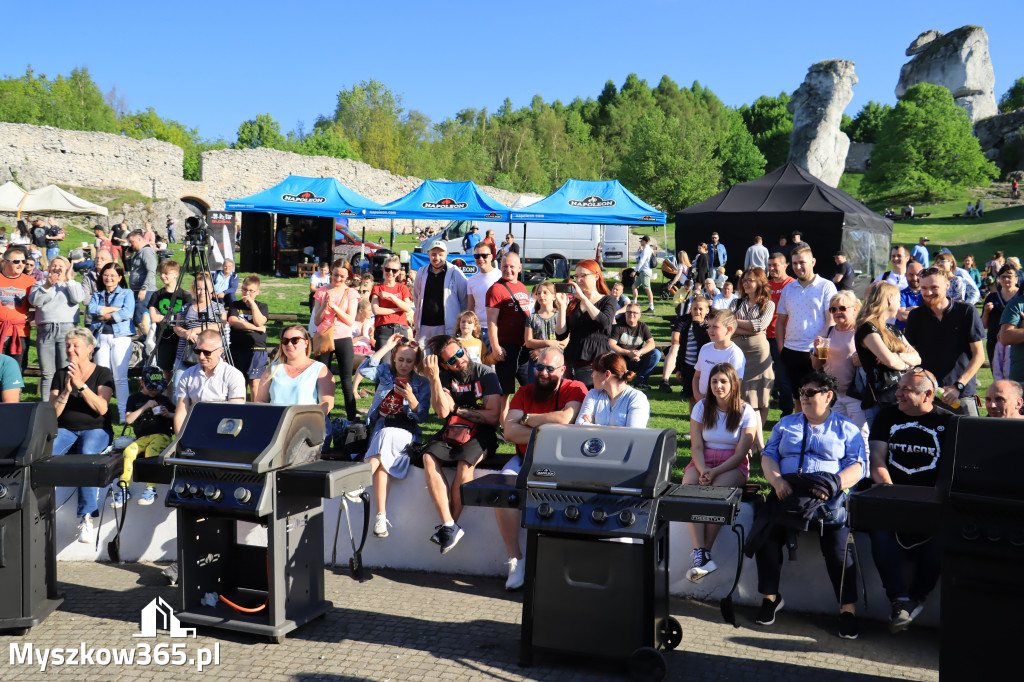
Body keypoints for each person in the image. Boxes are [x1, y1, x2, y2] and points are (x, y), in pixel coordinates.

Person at [752, 370, 866, 639]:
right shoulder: (786, 424)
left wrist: (835, 484)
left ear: (828, 396)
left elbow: (858, 466)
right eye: (801, 393)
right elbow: (768, 456)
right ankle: (770, 599)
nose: (803, 398)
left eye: (810, 393)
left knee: (838, 549)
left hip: (826, 498)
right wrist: (778, 481)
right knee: (764, 535)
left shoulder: (846, 428)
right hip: (787, 493)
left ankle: (847, 610)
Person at [867, 368, 950, 633]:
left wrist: (932, 499)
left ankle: (916, 599)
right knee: (879, 534)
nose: (898, 393)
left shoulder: (950, 422)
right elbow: (877, 458)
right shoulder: (887, 415)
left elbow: (950, 471)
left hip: (932, 503)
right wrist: (890, 491)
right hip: (892, 496)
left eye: (906, 390)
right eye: (899, 387)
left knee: (940, 543)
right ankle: (899, 600)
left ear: (927, 394)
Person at [500, 347, 587, 590]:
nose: (543, 373)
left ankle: (555, 565)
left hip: (559, 461)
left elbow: (565, 419)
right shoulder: (525, 391)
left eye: (550, 369)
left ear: (563, 370)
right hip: (523, 458)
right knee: (503, 490)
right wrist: (549, 429)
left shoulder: (575, 388)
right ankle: (515, 559)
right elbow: (509, 432)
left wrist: (526, 419)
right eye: (539, 367)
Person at [420, 335, 502, 554]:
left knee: (465, 464)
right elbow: (441, 412)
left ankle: (450, 526)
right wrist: (435, 379)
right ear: (444, 364)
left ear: (464, 348)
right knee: (428, 457)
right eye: (452, 360)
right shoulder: (445, 376)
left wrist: (458, 409)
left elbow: (493, 417)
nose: (459, 360)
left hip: (482, 434)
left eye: (460, 353)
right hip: (453, 429)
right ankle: (448, 525)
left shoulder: (486, 374)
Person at [684, 363, 757, 581]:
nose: (718, 386)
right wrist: (703, 468)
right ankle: (701, 553)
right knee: (688, 488)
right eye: (714, 381)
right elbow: (695, 446)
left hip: (731, 463)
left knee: (717, 491)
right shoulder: (701, 406)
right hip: (702, 460)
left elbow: (741, 452)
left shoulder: (746, 411)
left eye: (723, 381)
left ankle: (704, 552)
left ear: (734, 384)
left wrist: (715, 472)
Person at [357, 334, 431, 538]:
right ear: (393, 359)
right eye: (400, 360)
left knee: (387, 437)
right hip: (381, 428)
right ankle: (381, 517)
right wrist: (385, 347)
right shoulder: (385, 372)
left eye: (409, 361)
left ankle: (359, 483)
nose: (404, 365)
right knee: (381, 464)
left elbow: (423, 417)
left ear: (415, 362)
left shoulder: (422, 383)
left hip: (406, 432)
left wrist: (411, 398)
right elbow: (364, 370)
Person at [50, 327, 115, 544]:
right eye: (68, 345)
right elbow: (52, 414)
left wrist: (81, 385)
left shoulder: (103, 373)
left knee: (87, 455)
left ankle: (86, 518)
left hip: (96, 429)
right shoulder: (60, 374)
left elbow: (102, 409)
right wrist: (67, 391)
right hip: (66, 429)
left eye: (75, 345)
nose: (70, 349)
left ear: (89, 348)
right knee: (44, 453)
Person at [906, 268, 985, 412]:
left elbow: (979, 355)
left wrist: (958, 386)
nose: (928, 293)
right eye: (924, 288)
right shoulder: (915, 316)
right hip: (928, 396)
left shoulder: (966, 311)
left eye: (934, 287)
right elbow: (910, 354)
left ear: (947, 286)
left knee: (969, 434)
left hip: (961, 394)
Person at [776, 245, 837, 411]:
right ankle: (802, 434)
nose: (798, 267)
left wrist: (820, 353)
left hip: (815, 353)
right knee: (799, 399)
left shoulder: (826, 286)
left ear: (813, 262)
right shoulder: (788, 288)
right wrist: (782, 349)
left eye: (802, 262)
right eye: (795, 263)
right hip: (791, 352)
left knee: (818, 400)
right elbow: (780, 321)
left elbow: (830, 321)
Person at [855, 282, 921, 421]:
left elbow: (917, 358)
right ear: (889, 299)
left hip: (902, 396)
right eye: (898, 300)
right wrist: (906, 362)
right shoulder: (867, 328)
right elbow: (890, 362)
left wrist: (899, 356)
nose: (899, 304)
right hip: (881, 399)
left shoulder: (893, 329)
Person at [811, 291, 868, 439]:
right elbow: (818, 364)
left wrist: (863, 360)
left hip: (856, 394)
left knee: (859, 436)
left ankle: (863, 463)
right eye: (833, 309)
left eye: (842, 308)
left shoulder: (861, 331)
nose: (837, 312)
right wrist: (817, 351)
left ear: (855, 309)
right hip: (833, 393)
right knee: (836, 435)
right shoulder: (828, 331)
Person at [114, 371, 175, 507]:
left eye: (158, 388)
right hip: (142, 437)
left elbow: (177, 415)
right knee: (129, 451)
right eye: (152, 388)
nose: (155, 391)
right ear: (142, 383)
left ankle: (151, 488)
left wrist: (168, 414)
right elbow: (129, 420)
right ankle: (124, 488)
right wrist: (145, 407)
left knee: (151, 451)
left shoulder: (163, 399)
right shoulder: (134, 399)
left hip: (162, 435)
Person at [555, 259, 616, 388]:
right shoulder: (574, 303)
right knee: (573, 400)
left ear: (596, 276)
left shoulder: (608, 300)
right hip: (572, 360)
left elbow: (604, 322)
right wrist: (561, 306)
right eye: (576, 276)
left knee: (591, 401)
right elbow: (561, 335)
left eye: (583, 276)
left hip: (595, 362)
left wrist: (583, 298)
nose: (578, 280)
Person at [486, 252, 532, 422]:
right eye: (504, 266)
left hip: (524, 346)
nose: (508, 270)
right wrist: (496, 347)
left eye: (512, 266)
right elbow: (492, 321)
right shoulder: (496, 289)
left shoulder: (521, 286)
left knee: (529, 387)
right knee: (505, 391)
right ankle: (503, 426)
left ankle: (526, 420)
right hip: (506, 346)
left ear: (519, 267)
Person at [313, 259, 361, 421]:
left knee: (346, 380)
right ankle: (324, 418)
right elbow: (317, 321)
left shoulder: (352, 293)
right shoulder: (321, 292)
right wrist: (325, 305)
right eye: (335, 275)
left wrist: (334, 307)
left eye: (342, 276)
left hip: (343, 338)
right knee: (322, 380)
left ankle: (352, 420)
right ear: (330, 272)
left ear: (348, 277)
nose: (338, 279)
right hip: (324, 337)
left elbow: (350, 320)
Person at [87, 262, 135, 423]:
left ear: (120, 278)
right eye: (106, 275)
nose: (109, 278)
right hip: (101, 338)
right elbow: (91, 310)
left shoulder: (127, 293)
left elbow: (128, 312)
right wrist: (114, 310)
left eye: (113, 275)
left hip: (120, 337)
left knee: (120, 377)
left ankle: (123, 415)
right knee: (102, 376)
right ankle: (102, 413)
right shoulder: (97, 294)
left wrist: (104, 314)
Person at [174, 329, 246, 435]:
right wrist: (180, 440)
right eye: (198, 351)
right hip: (194, 430)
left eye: (207, 352)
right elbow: (181, 413)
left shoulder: (233, 375)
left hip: (223, 432)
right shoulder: (188, 374)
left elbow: (235, 414)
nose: (202, 356)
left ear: (220, 351)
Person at [30, 256, 84, 397]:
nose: (57, 268)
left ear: (67, 268)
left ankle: (66, 407)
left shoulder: (73, 285)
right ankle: (46, 410)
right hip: (46, 331)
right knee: (47, 373)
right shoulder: (40, 284)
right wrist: (47, 286)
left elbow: (78, 299)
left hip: (67, 331)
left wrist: (69, 280)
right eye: (54, 266)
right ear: (49, 268)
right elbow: (35, 301)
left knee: (66, 371)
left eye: (61, 266)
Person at [732, 267, 776, 426]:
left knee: (760, 396)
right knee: (741, 394)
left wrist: (736, 323)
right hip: (737, 354)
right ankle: (743, 433)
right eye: (744, 280)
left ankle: (756, 441)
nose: (745, 283)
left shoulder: (768, 304)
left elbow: (761, 325)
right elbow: (727, 325)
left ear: (760, 282)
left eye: (749, 280)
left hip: (759, 355)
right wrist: (750, 327)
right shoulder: (736, 302)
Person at [172, 273, 227, 393]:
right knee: (178, 387)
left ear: (211, 289)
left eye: (205, 289)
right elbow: (177, 327)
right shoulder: (185, 307)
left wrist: (195, 331)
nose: (202, 292)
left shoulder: (217, 307)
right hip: (185, 353)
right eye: (199, 289)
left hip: (208, 353)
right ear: (194, 290)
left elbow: (220, 325)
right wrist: (186, 333)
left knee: (207, 389)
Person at [412, 242, 468, 342]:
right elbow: (416, 298)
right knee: (423, 357)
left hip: (448, 329)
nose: (437, 258)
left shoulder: (456, 273)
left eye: (440, 254)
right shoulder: (421, 272)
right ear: (428, 254)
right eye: (433, 254)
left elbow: (464, 300)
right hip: (424, 329)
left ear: (446, 254)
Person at [576, 352, 650, 427]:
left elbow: (633, 434)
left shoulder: (636, 398)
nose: (592, 375)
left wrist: (593, 426)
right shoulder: (593, 394)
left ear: (607, 374)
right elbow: (579, 425)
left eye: (595, 371)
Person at [227, 275, 269, 399]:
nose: (247, 293)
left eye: (251, 291)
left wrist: (252, 303)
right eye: (244, 289)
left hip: (257, 350)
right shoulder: (235, 305)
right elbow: (234, 322)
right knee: (240, 382)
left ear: (257, 292)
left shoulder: (262, 306)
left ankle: (256, 410)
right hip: (237, 349)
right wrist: (257, 329)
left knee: (255, 382)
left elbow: (260, 321)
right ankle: (242, 411)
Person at [661, 295, 711, 400]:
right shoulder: (685, 322)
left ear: (707, 310)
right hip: (688, 364)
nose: (697, 311)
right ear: (690, 309)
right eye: (695, 308)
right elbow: (681, 347)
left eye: (701, 309)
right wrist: (679, 368)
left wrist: (697, 324)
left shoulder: (709, 325)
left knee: (703, 395)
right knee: (690, 397)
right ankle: (693, 416)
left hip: (703, 366)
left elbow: (703, 340)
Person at [693, 308, 745, 403]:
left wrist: (714, 400)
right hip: (701, 403)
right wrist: (697, 395)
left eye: (715, 327)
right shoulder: (705, 348)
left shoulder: (735, 354)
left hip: (721, 405)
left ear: (729, 330)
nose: (710, 330)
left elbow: (735, 386)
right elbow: (697, 376)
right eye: (709, 326)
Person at [767, 252, 796, 415]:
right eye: (769, 265)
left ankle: (786, 411)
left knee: (783, 378)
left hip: (784, 337)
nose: (771, 268)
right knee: (763, 376)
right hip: (764, 336)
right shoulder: (767, 285)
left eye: (775, 265)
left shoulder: (792, 284)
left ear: (785, 266)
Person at [608, 303, 662, 390]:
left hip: (638, 359)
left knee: (656, 353)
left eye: (635, 313)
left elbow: (651, 343)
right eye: (629, 312)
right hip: (622, 360)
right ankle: (619, 380)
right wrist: (628, 353)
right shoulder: (618, 327)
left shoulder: (643, 326)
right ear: (625, 313)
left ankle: (641, 381)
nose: (631, 314)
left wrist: (640, 353)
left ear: (639, 315)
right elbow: (611, 344)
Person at [370, 254, 413, 362]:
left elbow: (407, 308)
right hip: (383, 329)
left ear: (398, 272)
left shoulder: (402, 288)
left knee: (401, 363)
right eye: (388, 269)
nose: (390, 273)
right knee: (385, 364)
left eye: (394, 271)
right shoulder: (377, 288)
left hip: (401, 328)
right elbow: (376, 310)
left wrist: (391, 296)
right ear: (383, 269)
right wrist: (397, 309)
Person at [0, 245, 37, 366]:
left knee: (16, 370)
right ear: (5, 262)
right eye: (16, 261)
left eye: (23, 261)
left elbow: (40, 302)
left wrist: (35, 312)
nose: (21, 264)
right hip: (1, 331)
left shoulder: (30, 282)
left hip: (20, 332)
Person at [523, 281, 566, 382]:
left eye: (545, 292)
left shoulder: (560, 315)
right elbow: (528, 342)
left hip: (555, 362)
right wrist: (549, 343)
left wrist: (541, 350)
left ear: (554, 296)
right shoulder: (532, 317)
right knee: (535, 391)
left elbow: (564, 342)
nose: (541, 295)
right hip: (536, 362)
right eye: (538, 293)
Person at [464, 244, 502, 347]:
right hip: (479, 330)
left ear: (491, 256)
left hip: (498, 328)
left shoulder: (500, 276)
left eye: (484, 255)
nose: (480, 259)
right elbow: (471, 308)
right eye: (477, 256)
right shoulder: (471, 281)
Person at [983, 264, 1018, 363]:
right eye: (1003, 276)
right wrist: (986, 312)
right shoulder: (992, 297)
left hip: (1016, 343)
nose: (1006, 279)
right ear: (998, 279)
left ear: (1016, 279)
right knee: (998, 375)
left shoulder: (1021, 298)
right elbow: (983, 325)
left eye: (1009, 276)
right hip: (994, 342)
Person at [127, 229, 158, 328]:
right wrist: (127, 258)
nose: (130, 244)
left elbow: (152, 270)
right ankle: (144, 339)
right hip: (138, 290)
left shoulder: (147, 251)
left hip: (145, 290)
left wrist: (144, 288)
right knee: (138, 317)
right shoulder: (139, 252)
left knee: (141, 318)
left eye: (132, 242)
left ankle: (148, 340)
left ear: (140, 239)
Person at [896, 262, 925, 330]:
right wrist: (923, 312)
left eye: (918, 275)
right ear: (906, 275)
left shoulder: (928, 294)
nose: (914, 278)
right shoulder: (900, 294)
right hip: (904, 335)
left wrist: (909, 309)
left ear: (923, 275)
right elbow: (901, 316)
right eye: (911, 275)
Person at [633, 235, 656, 313]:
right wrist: (639, 251)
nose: (640, 242)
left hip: (645, 271)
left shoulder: (646, 250)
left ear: (645, 242)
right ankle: (634, 304)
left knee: (647, 289)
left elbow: (641, 261)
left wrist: (635, 270)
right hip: (643, 271)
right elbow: (640, 258)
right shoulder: (648, 249)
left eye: (642, 241)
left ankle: (652, 308)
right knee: (634, 286)